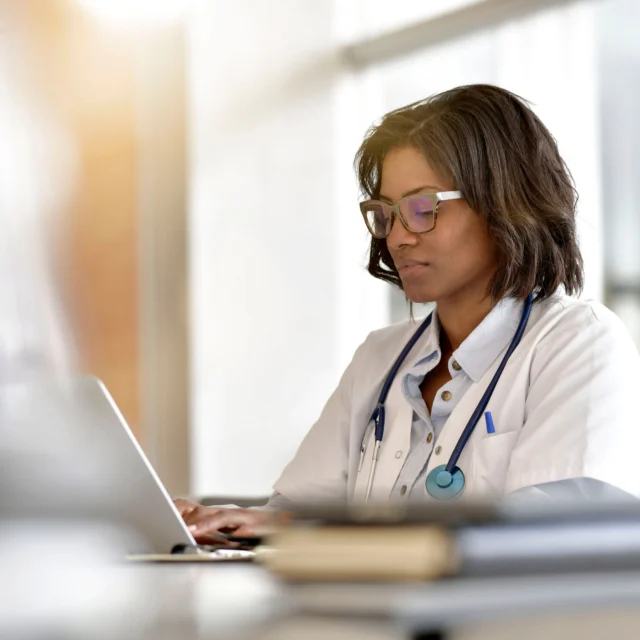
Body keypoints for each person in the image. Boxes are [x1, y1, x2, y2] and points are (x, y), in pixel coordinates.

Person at [176, 84, 640, 542]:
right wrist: (242, 523)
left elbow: (550, 530)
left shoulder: (578, 342)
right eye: (386, 213)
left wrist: (334, 533)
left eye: (423, 209)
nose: (395, 238)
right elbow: (297, 512)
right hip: (366, 610)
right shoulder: (380, 357)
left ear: (504, 202)